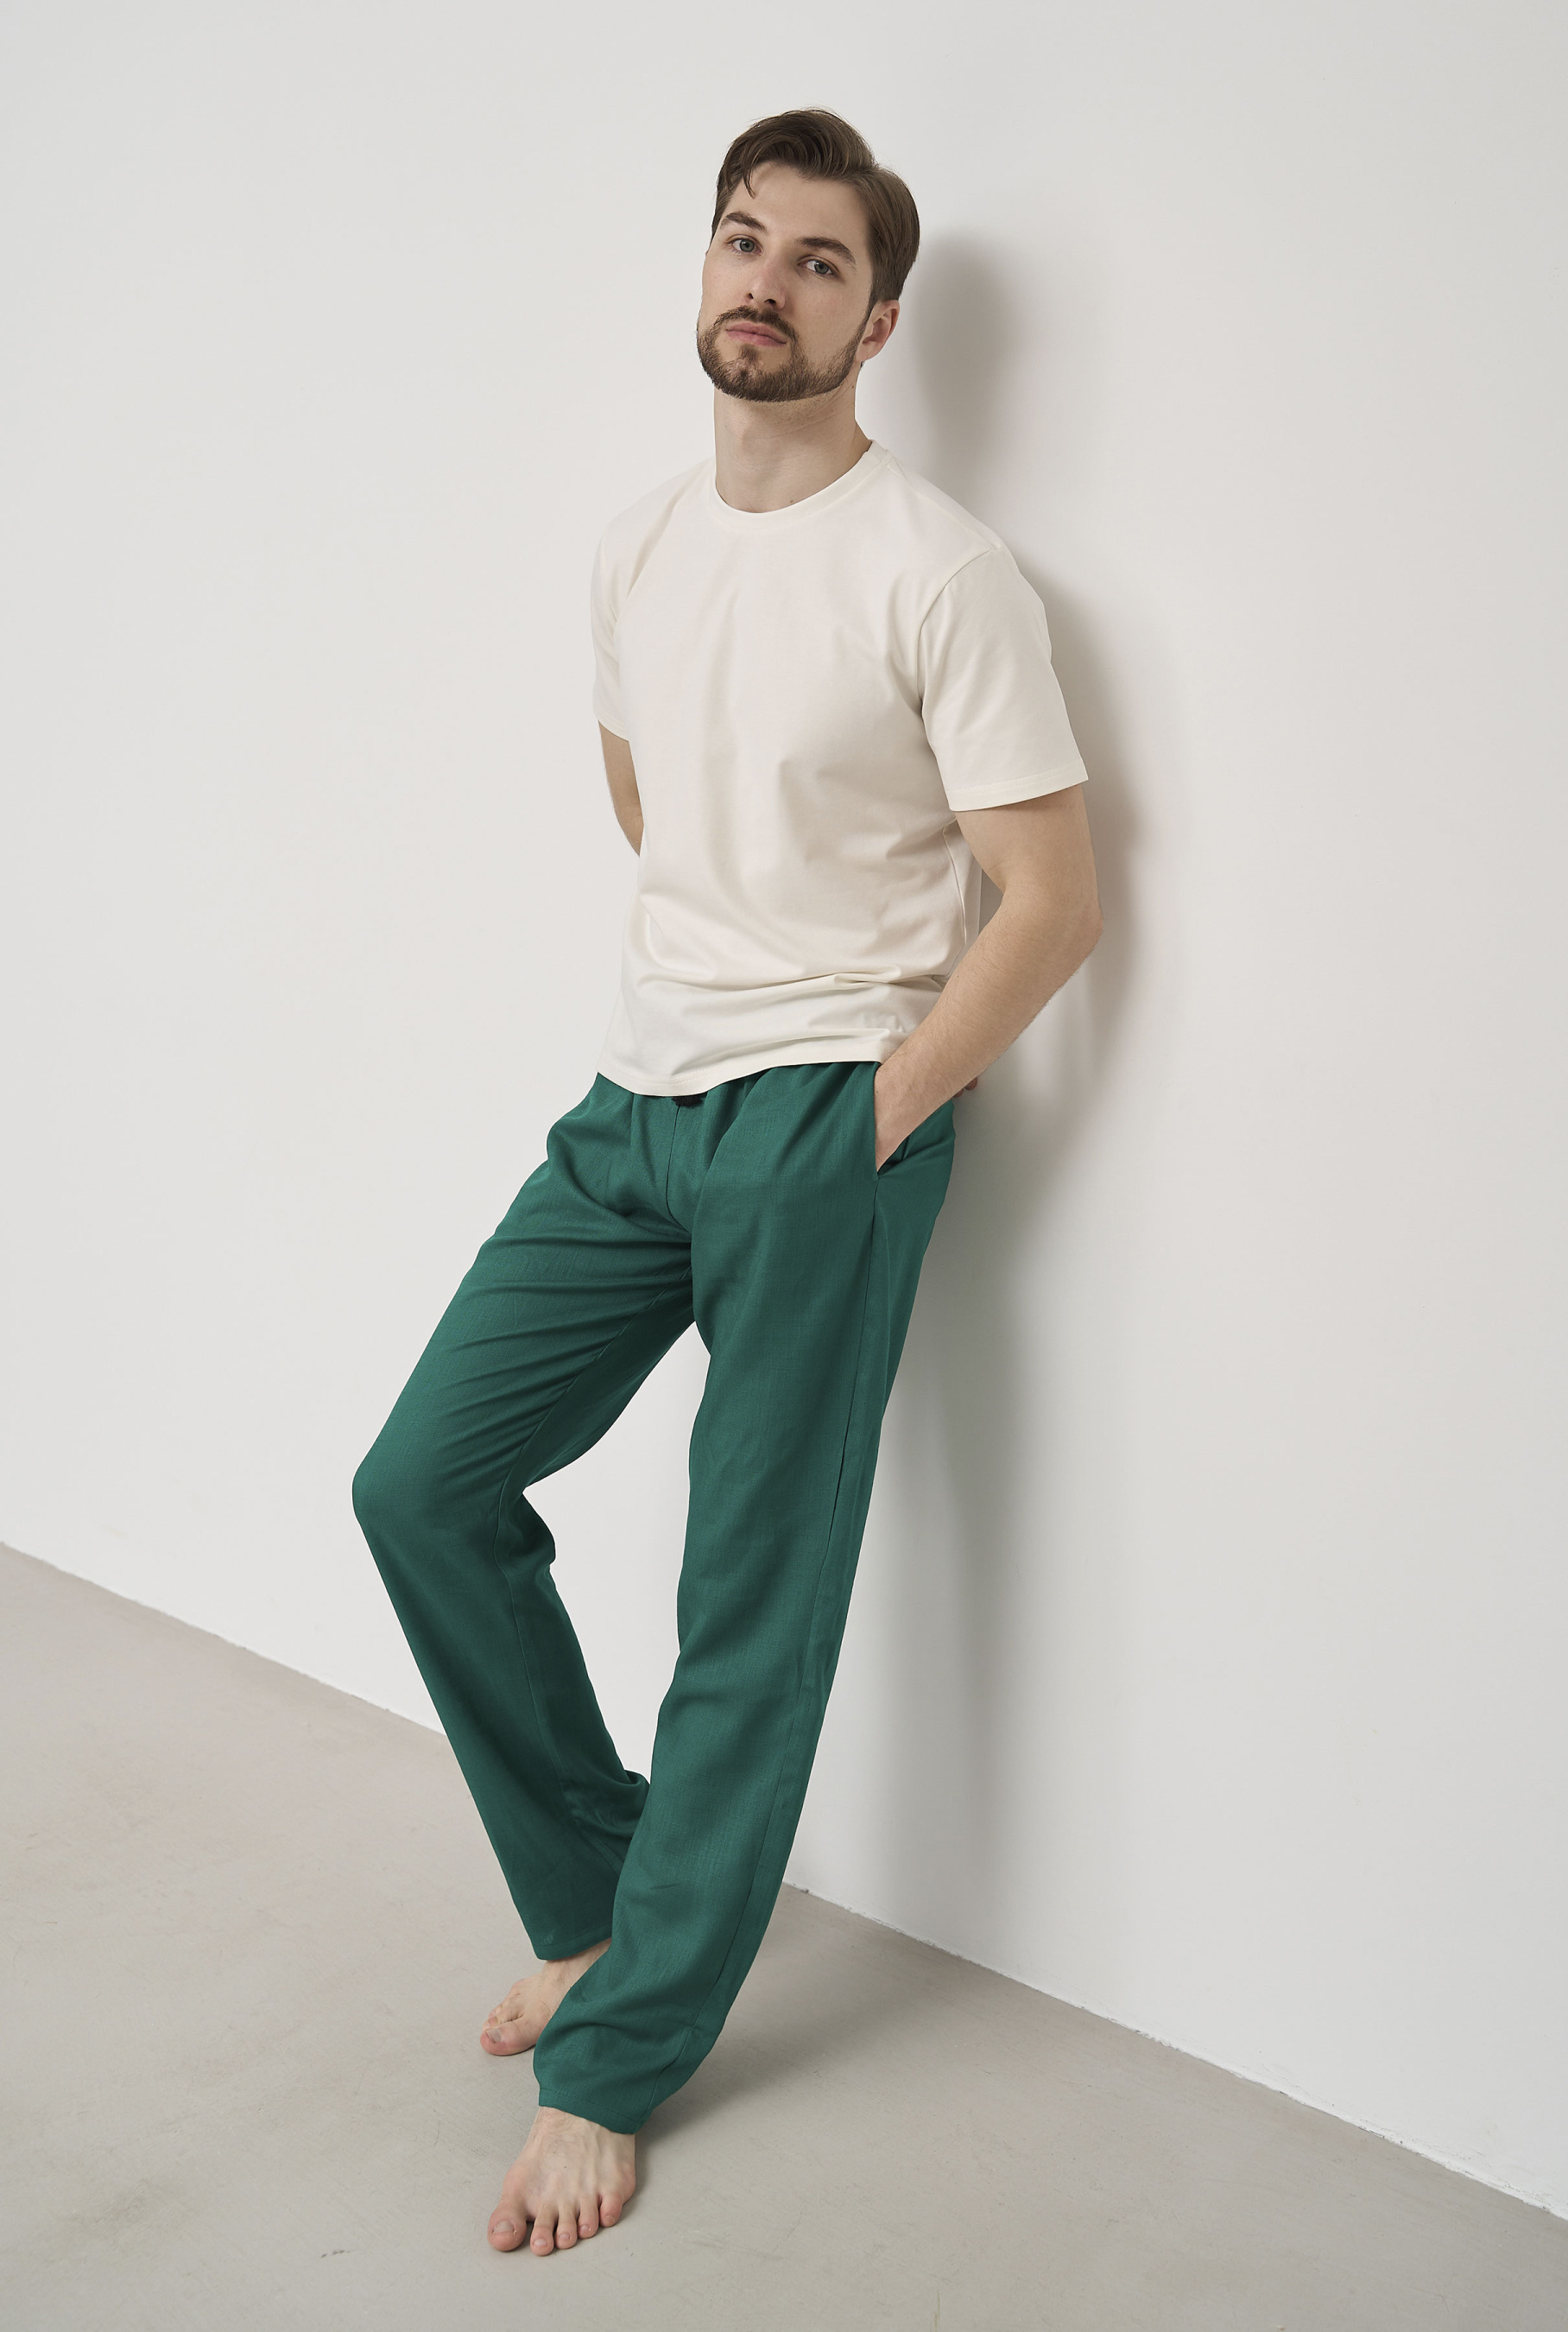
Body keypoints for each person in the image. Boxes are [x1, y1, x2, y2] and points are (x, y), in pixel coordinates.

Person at [351, 106, 1102, 2259]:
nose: (765, 281)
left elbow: (1051, 901)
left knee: (744, 1603)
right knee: (420, 1485)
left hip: (820, 1124)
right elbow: (651, 801)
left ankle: (616, 2062)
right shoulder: (637, 547)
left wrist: (879, 1101)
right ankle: (599, 1902)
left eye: (817, 260)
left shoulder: (938, 569)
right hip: (634, 1100)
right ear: (705, 268)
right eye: (741, 240)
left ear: (881, 319)